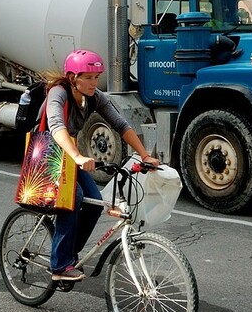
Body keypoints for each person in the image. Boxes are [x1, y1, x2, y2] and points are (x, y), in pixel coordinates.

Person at [39, 49, 161, 282]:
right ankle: (59, 266)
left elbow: (120, 124)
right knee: (72, 199)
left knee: (94, 203)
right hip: (49, 152)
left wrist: (144, 155)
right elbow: (56, 126)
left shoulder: (94, 97)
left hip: (70, 154)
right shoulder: (58, 93)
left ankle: (68, 254)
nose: (94, 82)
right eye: (88, 77)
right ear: (73, 78)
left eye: (97, 77)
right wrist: (77, 156)